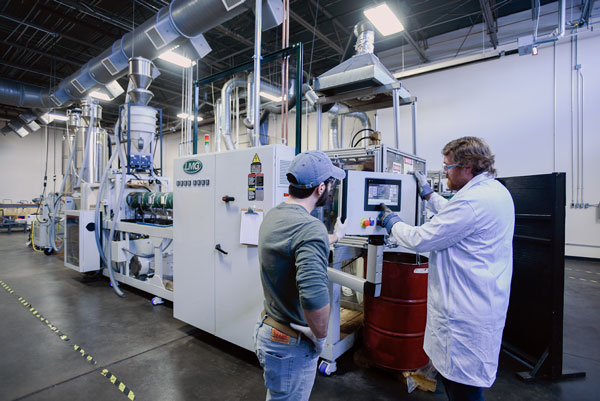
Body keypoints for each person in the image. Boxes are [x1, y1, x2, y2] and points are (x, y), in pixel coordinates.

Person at [378, 137, 514, 401]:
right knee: (461, 384)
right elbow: (456, 215)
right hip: (482, 300)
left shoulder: (473, 201)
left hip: (464, 312)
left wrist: (391, 221)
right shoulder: (494, 192)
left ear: (468, 166)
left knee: (463, 387)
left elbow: (422, 239)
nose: (445, 172)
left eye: (448, 167)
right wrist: (429, 195)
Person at [255, 150, 347, 401]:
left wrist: (336, 236)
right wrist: (320, 337)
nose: (331, 189)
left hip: (269, 330)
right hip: (291, 344)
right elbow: (314, 299)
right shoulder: (310, 228)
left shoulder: (276, 215)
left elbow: (300, 242)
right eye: (330, 183)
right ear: (320, 188)